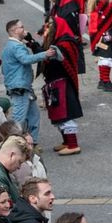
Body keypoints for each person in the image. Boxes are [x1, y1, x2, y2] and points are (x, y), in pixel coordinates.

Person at [40, 18, 83, 155]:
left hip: (63, 83)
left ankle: (73, 144)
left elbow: (64, 60)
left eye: (51, 24)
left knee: (66, 115)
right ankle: (66, 142)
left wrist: (55, 54)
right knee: (59, 115)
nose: (48, 26)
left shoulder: (65, 43)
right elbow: (43, 55)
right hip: (55, 82)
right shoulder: (55, 41)